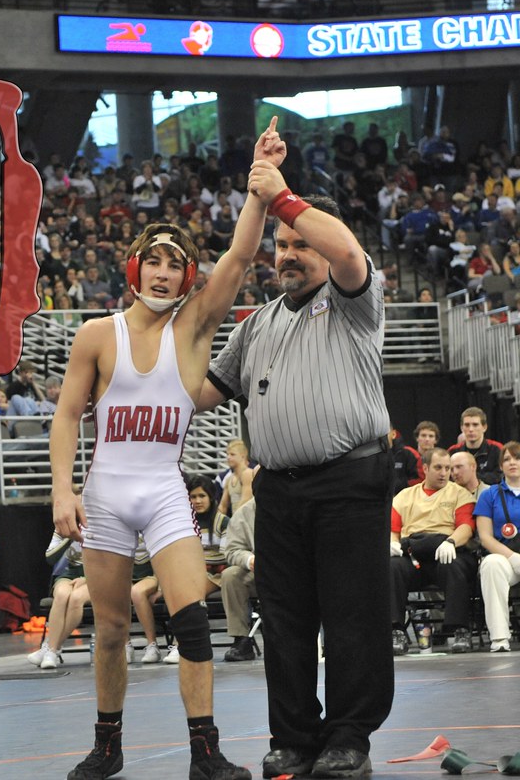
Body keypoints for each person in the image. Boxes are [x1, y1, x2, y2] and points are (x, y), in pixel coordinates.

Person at [50, 120, 284, 780]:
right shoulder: (97, 334)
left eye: (174, 263)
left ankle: (205, 752)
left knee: (191, 619)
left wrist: (258, 190)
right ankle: (107, 745)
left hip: (161, 491)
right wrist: (63, 489)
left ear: (186, 275)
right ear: (134, 266)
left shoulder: (195, 327)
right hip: (104, 493)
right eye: (152, 260)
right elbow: (67, 414)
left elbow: (238, 259)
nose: (161, 271)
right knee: (113, 628)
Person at [199, 132, 394, 776]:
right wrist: (128, 372)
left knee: (351, 617)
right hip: (277, 489)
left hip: (348, 480)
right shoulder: (257, 324)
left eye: (299, 244)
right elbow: (202, 391)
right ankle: (294, 737)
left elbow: (345, 246)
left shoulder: (355, 302)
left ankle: (349, 738)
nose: (288, 253)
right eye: (281, 246)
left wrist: (279, 194)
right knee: (283, 621)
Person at [389, 448, 477, 655]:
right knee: (392, 567)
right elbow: (393, 530)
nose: (444, 473)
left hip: (444, 550)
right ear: (426, 469)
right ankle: (395, 631)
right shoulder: (404, 496)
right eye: (438, 468)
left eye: (447, 468)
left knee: (455, 566)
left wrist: (451, 541)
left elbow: (466, 527)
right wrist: (392, 544)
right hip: (412, 553)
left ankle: (459, 630)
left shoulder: (459, 494)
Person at [475, 441, 520, 653]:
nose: (513, 463)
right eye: (507, 459)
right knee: (490, 564)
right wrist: (513, 558)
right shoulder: (489, 495)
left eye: (517, 458)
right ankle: (500, 638)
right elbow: (485, 537)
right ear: (500, 466)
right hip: (505, 557)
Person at [28, 537, 90, 669]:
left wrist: (86, 578)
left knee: (76, 598)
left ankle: (51, 649)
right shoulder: (63, 526)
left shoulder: (100, 524)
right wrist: (68, 538)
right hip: (70, 572)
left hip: (96, 575)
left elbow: (110, 560)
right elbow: (50, 558)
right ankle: (52, 649)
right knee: (61, 595)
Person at [220, 497, 258, 662]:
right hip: (260, 571)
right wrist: (250, 560)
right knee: (231, 576)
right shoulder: (244, 513)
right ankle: (241, 639)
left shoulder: (297, 501)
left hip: (295, 569)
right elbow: (233, 549)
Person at [447, 407, 503, 485]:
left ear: (484, 427)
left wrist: (471, 477)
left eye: (475, 425)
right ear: (461, 428)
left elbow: (501, 476)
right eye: (467, 425)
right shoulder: (453, 451)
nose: (471, 429)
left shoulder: (497, 449)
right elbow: (447, 477)